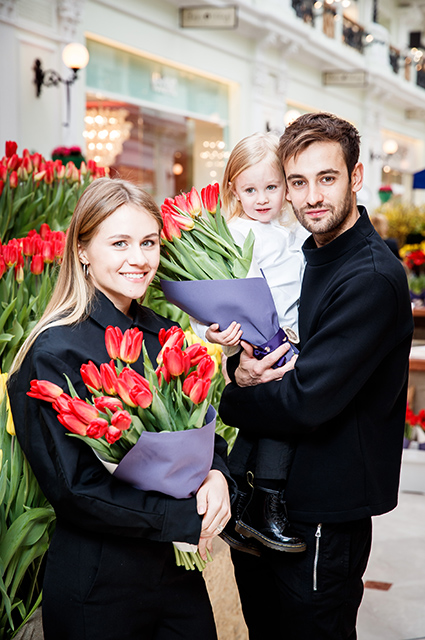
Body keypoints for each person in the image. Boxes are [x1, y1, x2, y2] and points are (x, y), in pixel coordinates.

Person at [7, 177, 232, 640]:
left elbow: (200, 432)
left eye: (148, 242)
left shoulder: (160, 335)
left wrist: (217, 477)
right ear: (83, 250)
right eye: (120, 242)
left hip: (175, 574)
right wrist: (185, 518)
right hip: (99, 581)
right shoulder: (52, 353)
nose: (139, 258)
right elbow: (74, 489)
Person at [219, 112, 413, 639]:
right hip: (262, 504)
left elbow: (305, 399)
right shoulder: (307, 256)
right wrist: (238, 366)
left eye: (326, 178)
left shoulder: (370, 276)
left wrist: (230, 395)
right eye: (298, 182)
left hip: (321, 510)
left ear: (355, 177)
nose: (311, 197)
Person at [192, 132, 308, 555]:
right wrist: (212, 332)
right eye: (250, 188)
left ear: (285, 188)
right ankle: (267, 504)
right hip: (270, 340)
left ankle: (239, 492)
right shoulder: (240, 232)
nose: (262, 197)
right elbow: (209, 293)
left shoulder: (283, 232)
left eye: (271, 187)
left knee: (259, 423)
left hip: (279, 337)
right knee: (282, 420)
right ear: (233, 191)